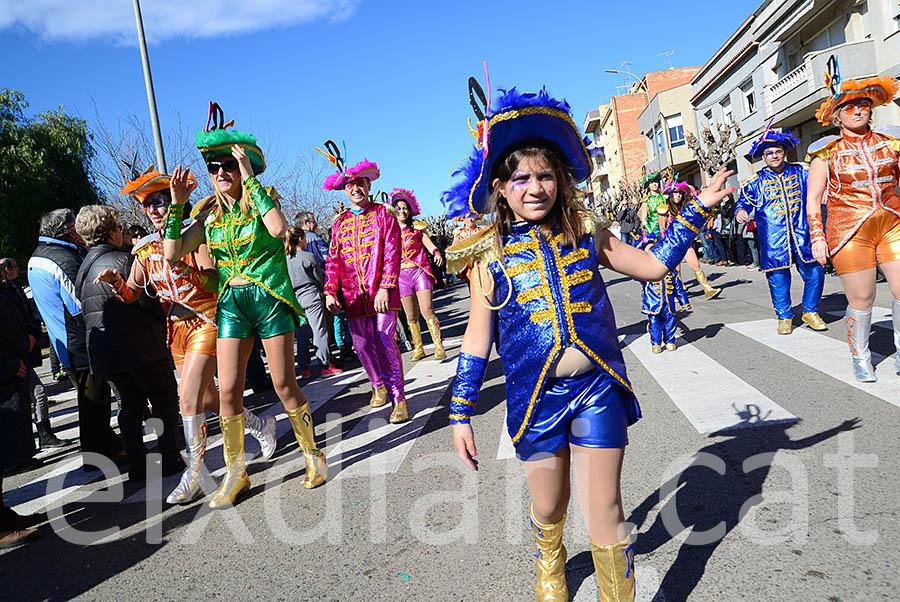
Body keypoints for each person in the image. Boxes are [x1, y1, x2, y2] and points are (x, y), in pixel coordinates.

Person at [442, 84, 734, 601]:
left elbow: (653, 266)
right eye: (521, 178)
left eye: (546, 175)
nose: (535, 187)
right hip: (536, 400)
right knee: (551, 505)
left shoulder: (587, 232)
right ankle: (550, 558)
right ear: (500, 188)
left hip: (598, 387)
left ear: (561, 179)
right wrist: (461, 412)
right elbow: (476, 338)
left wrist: (697, 211)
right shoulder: (486, 255)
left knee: (605, 508)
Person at [163, 103, 326, 507]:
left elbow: (277, 229)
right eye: (214, 168)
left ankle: (313, 455)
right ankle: (237, 473)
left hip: (269, 299)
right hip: (232, 303)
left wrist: (251, 180)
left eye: (229, 167)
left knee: (283, 383)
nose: (220, 174)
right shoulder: (208, 214)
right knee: (229, 391)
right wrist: (178, 205)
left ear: (243, 169)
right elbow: (170, 254)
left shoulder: (263, 198)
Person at [94, 165, 276, 504]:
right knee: (209, 399)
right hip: (175, 332)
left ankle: (195, 472)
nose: (156, 210)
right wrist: (114, 281)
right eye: (149, 205)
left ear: (175, 201)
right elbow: (133, 293)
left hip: (207, 321)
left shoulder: (194, 235)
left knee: (187, 398)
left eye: (162, 201)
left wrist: (181, 267)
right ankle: (259, 424)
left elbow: (213, 279)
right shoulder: (145, 250)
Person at [74, 205, 185, 480]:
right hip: (140, 345)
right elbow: (150, 301)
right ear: (112, 233)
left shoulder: (83, 269)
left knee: (128, 406)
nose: (123, 232)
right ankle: (170, 456)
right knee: (163, 400)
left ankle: (138, 464)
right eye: (120, 228)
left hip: (106, 351)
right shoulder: (126, 260)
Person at [806, 58, 900, 381]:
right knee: (863, 297)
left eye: (863, 104)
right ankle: (860, 355)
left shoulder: (892, 141)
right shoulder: (825, 151)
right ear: (837, 116)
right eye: (850, 107)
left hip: (892, 222)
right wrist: (818, 237)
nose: (858, 110)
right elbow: (813, 201)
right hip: (849, 230)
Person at [319, 144, 408, 424]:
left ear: (368, 186)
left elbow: (394, 253)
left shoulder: (384, 214)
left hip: (382, 292)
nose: (355, 189)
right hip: (353, 297)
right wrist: (330, 291)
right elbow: (333, 260)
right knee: (361, 346)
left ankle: (399, 398)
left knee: (385, 339)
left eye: (360, 183)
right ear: (345, 190)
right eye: (350, 185)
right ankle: (377, 385)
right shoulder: (340, 222)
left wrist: (385, 286)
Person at [28, 209, 122, 466]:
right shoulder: (63, 259)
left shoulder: (39, 255)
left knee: (91, 399)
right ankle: (100, 455)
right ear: (70, 230)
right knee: (94, 400)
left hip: (65, 340)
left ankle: (106, 446)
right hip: (79, 340)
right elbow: (82, 304)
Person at [736, 129, 826, 335]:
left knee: (816, 272)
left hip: (804, 234)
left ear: (784, 153)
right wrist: (741, 211)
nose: (775, 155)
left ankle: (810, 311)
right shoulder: (755, 181)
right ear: (763, 157)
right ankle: (784, 316)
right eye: (770, 153)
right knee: (778, 280)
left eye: (778, 151)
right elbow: (743, 202)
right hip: (774, 239)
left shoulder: (802, 171)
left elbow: (820, 184)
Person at [1, 258, 70, 448]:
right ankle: (42, 435)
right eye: (15, 267)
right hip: (12, 356)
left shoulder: (11, 289)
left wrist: (32, 334)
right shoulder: (6, 292)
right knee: (36, 393)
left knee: (33, 394)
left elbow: (24, 315)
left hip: (19, 352)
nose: (18, 269)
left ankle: (41, 435)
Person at [0, 288, 44, 548]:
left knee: (5, 455)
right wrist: (6, 366)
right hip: (5, 375)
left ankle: (4, 516)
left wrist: (30, 335)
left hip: (12, 375)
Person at [391, 188, 446, 361]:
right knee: (410, 315)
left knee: (427, 309)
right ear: (393, 210)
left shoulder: (417, 228)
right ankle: (419, 347)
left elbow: (429, 245)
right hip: (401, 276)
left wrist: (437, 253)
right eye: (398, 208)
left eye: (405, 208)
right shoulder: (388, 232)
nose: (402, 211)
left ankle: (439, 346)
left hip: (420, 272)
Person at [285, 226, 343, 377]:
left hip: (295, 298)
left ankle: (304, 367)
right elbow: (319, 279)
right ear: (301, 239)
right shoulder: (309, 257)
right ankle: (324, 364)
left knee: (302, 333)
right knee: (319, 331)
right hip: (311, 295)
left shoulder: (284, 261)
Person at [660, 182, 722, 300]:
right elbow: (661, 228)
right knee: (676, 269)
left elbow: (696, 201)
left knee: (696, 265)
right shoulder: (664, 208)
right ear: (671, 195)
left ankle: (708, 289)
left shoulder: (684, 208)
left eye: (680, 194)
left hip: (686, 242)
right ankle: (678, 292)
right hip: (672, 243)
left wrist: (691, 188)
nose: (678, 196)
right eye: (676, 193)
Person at [638, 240, 684, 353]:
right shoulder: (645, 272)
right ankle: (656, 343)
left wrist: (684, 303)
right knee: (654, 324)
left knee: (671, 323)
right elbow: (634, 265)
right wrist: (644, 247)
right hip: (653, 304)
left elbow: (679, 288)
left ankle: (670, 341)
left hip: (668, 303)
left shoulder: (671, 273)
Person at [638, 171, 667, 240]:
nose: (654, 184)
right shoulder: (646, 200)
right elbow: (643, 219)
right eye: (652, 182)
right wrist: (651, 233)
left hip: (666, 229)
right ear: (649, 185)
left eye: (656, 182)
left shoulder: (664, 197)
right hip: (653, 230)